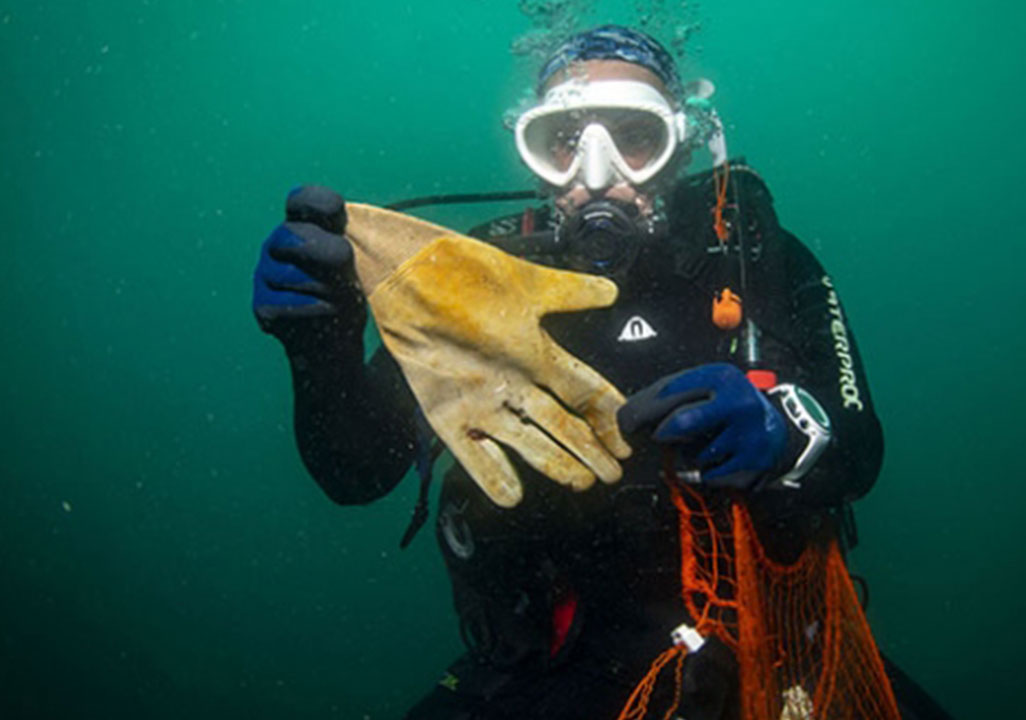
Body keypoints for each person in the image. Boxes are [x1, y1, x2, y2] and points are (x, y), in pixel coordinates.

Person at [252, 25, 917, 720]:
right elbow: (357, 473)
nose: (596, 176)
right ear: (532, 157)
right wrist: (320, 350)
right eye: (563, 142)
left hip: (774, 657)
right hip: (543, 670)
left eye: (635, 138)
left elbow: (860, 448)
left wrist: (786, 431)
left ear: (679, 148)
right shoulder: (473, 284)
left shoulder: (753, 257)